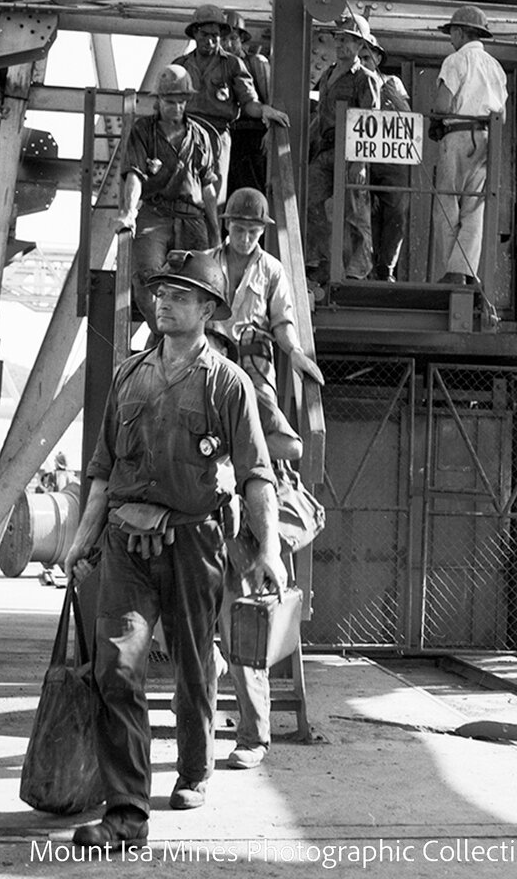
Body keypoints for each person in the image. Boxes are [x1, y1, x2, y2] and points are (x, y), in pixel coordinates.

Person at [65, 250, 288, 851]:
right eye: (162, 292)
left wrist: (266, 547)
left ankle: (194, 769)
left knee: (194, 666)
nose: (164, 302)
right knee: (116, 668)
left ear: (207, 308)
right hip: (127, 542)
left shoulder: (228, 384)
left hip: (196, 540)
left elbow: (256, 474)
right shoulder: (129, 375)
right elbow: (104, 467)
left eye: (180, 295)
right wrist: (84, 534)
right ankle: (127, 813)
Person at [204, 328, 303, 771]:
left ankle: (253, 736)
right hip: (194, 531)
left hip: (239, 536)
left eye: (213, 344)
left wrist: (241, 449)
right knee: (194, 638)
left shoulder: (245, 393)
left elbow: (292, 445)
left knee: (242, 633)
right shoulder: (186, 390)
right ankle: (198, 734)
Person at [118, 65, 219, 336]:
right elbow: (134, 175)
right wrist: (129, 213)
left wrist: (215, 230)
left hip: (192, 218)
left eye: (182, 102)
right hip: (155, 212)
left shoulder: (199, 136)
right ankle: (165, 338)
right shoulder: (143, 131)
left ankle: (190, 341)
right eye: (171, 101)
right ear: (158, 101)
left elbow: (208, 186)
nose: (176, 107)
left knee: (200, 284)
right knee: (145, 280)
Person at [209, 187, 325, 404]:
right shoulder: (206, 263)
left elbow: (282, 321)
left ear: (262, 230)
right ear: (227, 225)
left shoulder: (273, 270)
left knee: (267, 418)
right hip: (212, 357)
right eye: (239, 230)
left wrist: (295, 352)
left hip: (255, 361)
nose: (245, 238)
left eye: (253, 232)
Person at [173, 4, 289, 207]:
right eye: (204, 34)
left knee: (215, 200)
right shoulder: (180, 66)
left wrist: (264, 110)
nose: (210, 41)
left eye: (215, 35)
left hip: (218, 136)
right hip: (187, 135)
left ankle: (216, 236)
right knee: (183, 195)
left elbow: (249, 102)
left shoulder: (235, 65)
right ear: (194, 33)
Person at [431, 4, 507, 285]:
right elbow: (503, 114)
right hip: (488, 138)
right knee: (475, 208)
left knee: (447, 204)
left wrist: (436, 120)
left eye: (452, 33)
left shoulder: (456, 60)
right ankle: (464, 271)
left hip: (458, 135)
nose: (451, 39)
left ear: (461, 33)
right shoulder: (496, 68)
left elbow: (442, 104)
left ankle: (452, 273)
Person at [306, 13, 380, 283]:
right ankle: (320, 260)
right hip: (325, 151)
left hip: (350, 152)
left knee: (354, 211)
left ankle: (358, 269)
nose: (341, 44)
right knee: (311, 200)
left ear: (361, 46)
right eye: (338, 39)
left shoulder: (365, 78)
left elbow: (371, 124)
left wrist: (359, 164)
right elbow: (321, 117)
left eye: (348, 40)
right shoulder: (327, 74)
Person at [360, 34, 411, 282]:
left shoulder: (393, 82)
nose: (363, 62)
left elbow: (409, 116)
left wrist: (395, 98)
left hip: (390, 159)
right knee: (362, 213)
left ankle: (386, 268)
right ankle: (363, 268)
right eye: (359, 58)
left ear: (378, 58)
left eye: (367, 57)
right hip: (361, 157)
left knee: (396, 213)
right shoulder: (354, 81)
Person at [222, 10, 272, 195]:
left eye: (233, 38)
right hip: (224, 136)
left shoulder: (256, 63)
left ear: (242, 40)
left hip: (252, 137)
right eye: (223, 38)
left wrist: (271, 132)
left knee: (251, 190)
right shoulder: (215, 68)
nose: (227, 44)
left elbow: (270, 102)